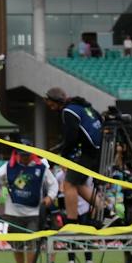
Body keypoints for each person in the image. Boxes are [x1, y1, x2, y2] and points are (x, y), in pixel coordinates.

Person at [0, 148, 58, 263]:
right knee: (17, 245)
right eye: (21, 155)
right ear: (17, 154)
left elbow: (53, 184)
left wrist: (50, 197)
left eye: (26, 156)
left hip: (34, 212)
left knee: (32, 243)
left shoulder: (41, 167)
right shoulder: (9, 166)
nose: (24, 158)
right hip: (13, 212)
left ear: (31, 154)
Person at [43, 87, 103, 230]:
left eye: (51, 105)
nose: (51, 109)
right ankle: (103, 209)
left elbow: (71, 137)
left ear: (57, 101)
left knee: (69, 183)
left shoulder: (68, 111)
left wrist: (64, 156)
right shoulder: (82, 107)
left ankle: (71, 221)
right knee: (79, 184)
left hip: (90, 152)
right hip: (99, 150)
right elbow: (100, 120)